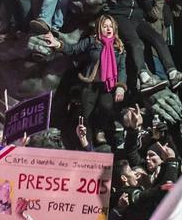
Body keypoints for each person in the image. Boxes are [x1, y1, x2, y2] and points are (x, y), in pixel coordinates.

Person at [42, 16, 127, 148]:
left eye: (111, 26)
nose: (108, 29)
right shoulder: (92, 42)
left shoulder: (119, 47)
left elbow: (122, 69)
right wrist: (57, 43)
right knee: (86, 114)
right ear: (99, 28)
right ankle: (87, 143)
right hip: (90, 84)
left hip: (107, 86)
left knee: (106, 107)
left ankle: (99, 129)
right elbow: (73, 49)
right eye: (105, 26)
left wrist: (121, 87)